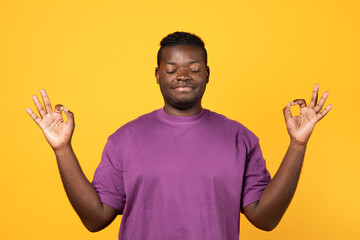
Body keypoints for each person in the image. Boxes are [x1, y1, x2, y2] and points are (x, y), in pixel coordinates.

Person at [26, 31, 332, 239]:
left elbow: (265, 219)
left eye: (194, 68)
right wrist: (62, 150)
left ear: (208, 74)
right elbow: (96, 219)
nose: (183, 75)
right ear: (157, 75)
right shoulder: (124, 139)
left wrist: (298, 144)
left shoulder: (240, 138)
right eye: (171, 68)